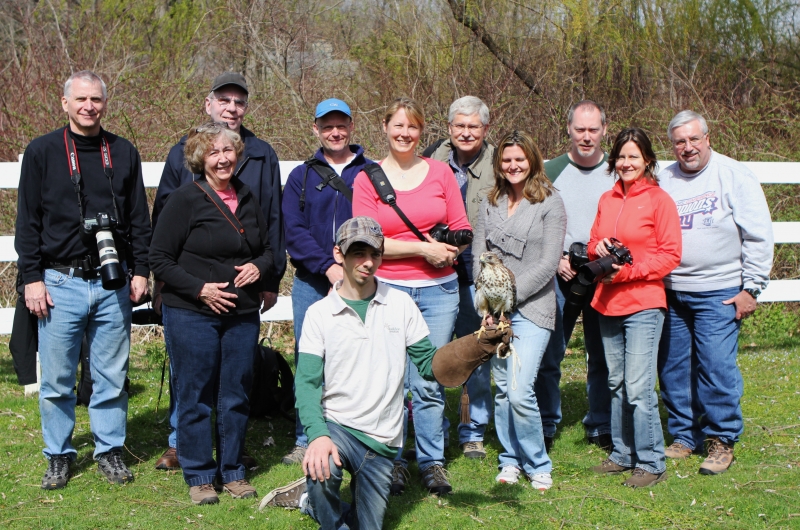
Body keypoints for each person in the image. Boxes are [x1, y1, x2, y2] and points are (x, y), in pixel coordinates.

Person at [15, 70, 151, 490]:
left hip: (113, 283)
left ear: (104, 104)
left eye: (96, 100)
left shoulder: (123, 150)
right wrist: (31, 278)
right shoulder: (41, 152)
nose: (89, 107)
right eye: (81, 100)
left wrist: (142, 270)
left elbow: (139, 219)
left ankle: (109, 450)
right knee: (56, 379)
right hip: (60, 281)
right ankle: (58, 454)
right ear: (65, 103)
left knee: (111, 375)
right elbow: (27, 222)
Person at [260, 216, 441, 527]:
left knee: (367, 526)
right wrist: (317, 436)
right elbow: (306, 382)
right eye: (358, 252)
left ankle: (308, 500)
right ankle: (318, 496)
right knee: (324, 468)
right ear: (338, 254)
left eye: (374, 254)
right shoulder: (319, 314)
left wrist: (476, 348)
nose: (368, 262)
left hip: (383, 438)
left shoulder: (401, 304)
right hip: (337, 426)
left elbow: (429, 365)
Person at [152, 72, 285, 471]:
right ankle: (184, 446)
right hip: (192, 295)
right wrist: (169, 285)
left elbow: (271, 225)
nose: (231, 108)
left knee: (234, 383)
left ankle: (231, 453)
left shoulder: (261, 155)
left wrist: (269, 276)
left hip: (243, 295)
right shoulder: (183, 155)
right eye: (224, 100)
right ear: (208, 104)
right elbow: (163, 224)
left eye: (239, 102)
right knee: (191, 378)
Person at [352, 97, 471, 495]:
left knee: (428, 379)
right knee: (390, 380)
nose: (405, 134)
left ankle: (432, 461)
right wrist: (422, 249)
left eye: (413, 128)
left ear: (421, 132)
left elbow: (460, 226)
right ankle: (393, 460)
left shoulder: (441, 173)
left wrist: (451, 248)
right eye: (398, 126)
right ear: (385, 127)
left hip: (438, 292)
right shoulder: (366, 179)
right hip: (387, 289)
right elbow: (366, 239)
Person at [657, 111, 774, 475]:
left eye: (694, 139)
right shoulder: (664, 178)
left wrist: (751, 287)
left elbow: (758, 234)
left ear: (707, 137)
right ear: (672, 145)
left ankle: (722, 439)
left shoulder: (734, 175)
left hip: (719, 292)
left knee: (716, 366)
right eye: (680, 142)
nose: (687, 148)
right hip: (673, 290)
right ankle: (683, 435)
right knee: (674, 367)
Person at [587, 127, 681, 488]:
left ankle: (652, 461)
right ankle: (623, 453)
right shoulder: (606, 199)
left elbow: (670, 255)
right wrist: (600, 248)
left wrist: (628, 272)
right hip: (607, 302)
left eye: (633, 157)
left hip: (643, 302)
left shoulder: (659, 201)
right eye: (621, 157)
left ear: (647, 161)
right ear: (614, 161)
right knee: (615, 382)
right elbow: (595, 240)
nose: (626, 163)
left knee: (639, 386)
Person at [280, 98, 372, 466]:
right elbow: (294, 230)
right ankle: (306, 436)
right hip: (311, 283)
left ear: (352, 127)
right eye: (327, 126)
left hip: (360, 281)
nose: (335, 132)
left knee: (358, 356)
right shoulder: (300, 177)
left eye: (341, 125)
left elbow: (377, 225)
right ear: (315, 129)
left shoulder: (372, 172)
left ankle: (355, 433)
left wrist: (352, 270)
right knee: (310, 359)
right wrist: (326, 266)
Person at [472, 130, 566, 490]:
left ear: (532, 161)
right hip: (494, 312)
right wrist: (487, 306)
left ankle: (537, 462)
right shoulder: (489, 201)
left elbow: (547, 263)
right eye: (507, 160)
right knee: (501, 390)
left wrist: (507, 300)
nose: (513, 165)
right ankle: (510, 460)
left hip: (533, 308)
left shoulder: (550, 202)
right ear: (499, 164)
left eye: (520, 159)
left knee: (519, 388)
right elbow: (478, 258)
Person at [538, 100, 614, 452]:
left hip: (604, 277)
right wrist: (555, 258)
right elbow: (534, 221)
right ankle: (546, 423)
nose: (586, 137)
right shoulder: (549, 170)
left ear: (604, 130)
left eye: (593, 130)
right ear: (568, 129)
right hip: (561, 275)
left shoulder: (618, 170)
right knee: (551, 353)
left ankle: (601, 424)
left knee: (601, 355)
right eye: (580, 130)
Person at [424, 96, 495, 460]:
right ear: (449, 128)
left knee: (474, 353)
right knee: (431, 354)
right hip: (432, 271)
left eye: (474, 126)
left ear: (485, 128)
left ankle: (473, 429)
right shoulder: (430, 158)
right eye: (459, 126)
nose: (466, 133)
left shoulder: (501, 163)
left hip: (476, 276)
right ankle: (428, 426)